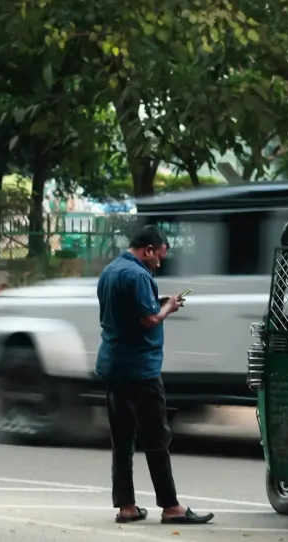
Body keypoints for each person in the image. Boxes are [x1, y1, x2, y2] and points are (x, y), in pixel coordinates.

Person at [95, 224, 214, 526]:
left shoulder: (110, 271)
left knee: (122, 440)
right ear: (148, 250)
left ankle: (126, 506)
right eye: (158, 257)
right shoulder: (137, 275)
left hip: (113, 366)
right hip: (141, 370)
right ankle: (171, 507)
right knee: (157, 438)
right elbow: (148, 318)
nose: (158, 263)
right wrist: (168, 308)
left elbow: (126, 313)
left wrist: (158, 303)